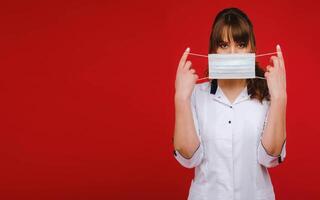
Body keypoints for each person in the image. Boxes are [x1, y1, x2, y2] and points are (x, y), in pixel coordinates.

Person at [173, 8, 287, 200]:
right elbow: (188, 159)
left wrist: (280, 97)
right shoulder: (196, 95)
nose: (233, 53)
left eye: (241, 44)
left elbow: (270, 158)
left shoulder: (268, 95)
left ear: (252, 49)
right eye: (224, 45)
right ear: (213, 50)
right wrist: (181, 99)